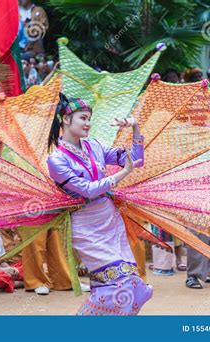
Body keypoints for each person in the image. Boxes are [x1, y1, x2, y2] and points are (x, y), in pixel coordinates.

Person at [46, 93, 152, 315]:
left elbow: (137, 160)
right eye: (83, 118)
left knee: (130, 282)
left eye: (89, 118)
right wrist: (122, 174)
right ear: (66, 119)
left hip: (110, 218)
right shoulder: (56, 159)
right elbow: (87, 190)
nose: (88, 123)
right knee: (115, 285)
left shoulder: (93, 145)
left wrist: (135, 128)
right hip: (85, 224)